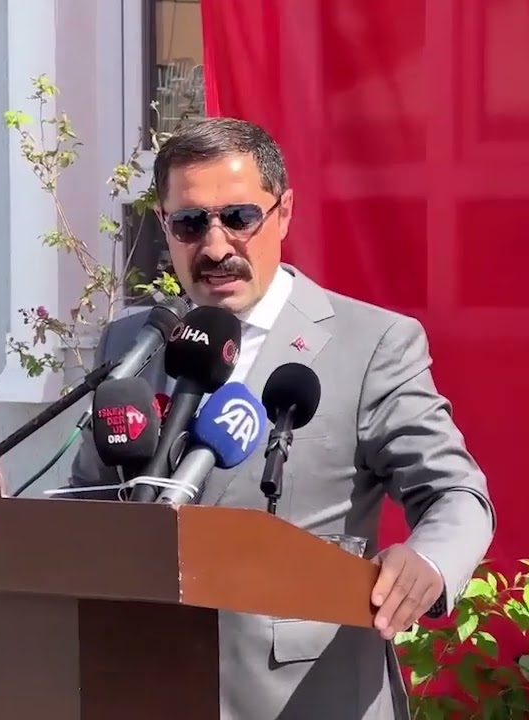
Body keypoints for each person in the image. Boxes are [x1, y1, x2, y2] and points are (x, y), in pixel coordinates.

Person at [68, 117, 495, 720]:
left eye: (239, 217)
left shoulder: (371, 344)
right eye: (190, 223)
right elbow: (88, 497)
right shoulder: (131, 343)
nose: (216, 248)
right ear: (165, 225)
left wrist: (426, 562)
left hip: (309, 698)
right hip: (147, 685)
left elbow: (455, 493)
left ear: (283, 213)